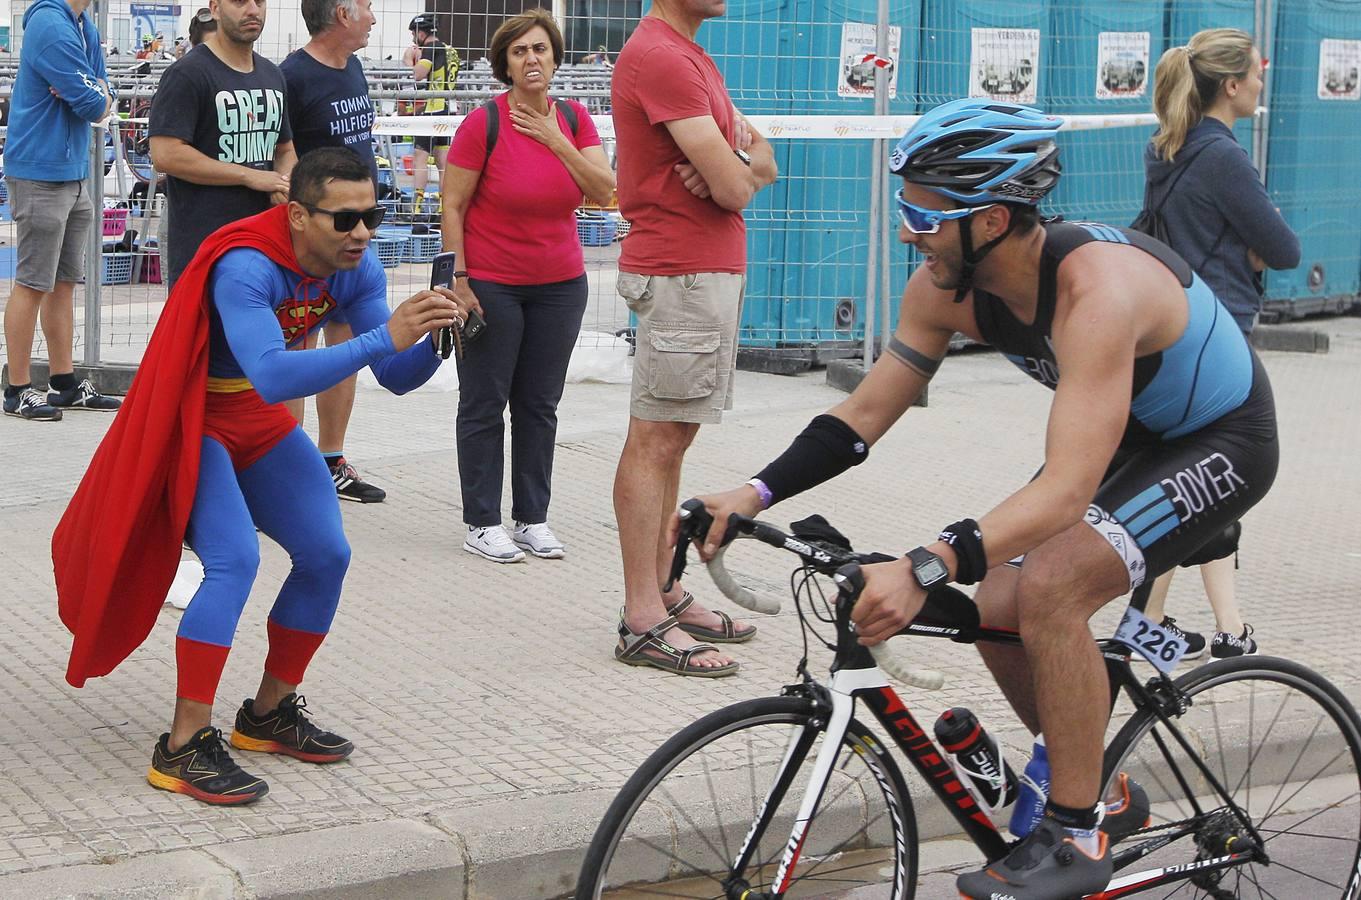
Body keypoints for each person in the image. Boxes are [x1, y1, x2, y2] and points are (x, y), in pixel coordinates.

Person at [684, 98, 1278, 898]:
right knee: (1000, 596)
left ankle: (1076, 833)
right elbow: (863, 416)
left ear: (991, 220)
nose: (905, 232)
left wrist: (924, 565)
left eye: (921, 216)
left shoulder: (1094, 291)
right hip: (1125, 437)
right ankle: (1099, 786)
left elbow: (1065, 488)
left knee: (1050, 585)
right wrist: (751, 492)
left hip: (1221, 440)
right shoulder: (943, 284)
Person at [53, 148, 469, 805]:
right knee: (234, 561)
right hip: (197, 422)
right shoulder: (247, 262)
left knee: (327, 554)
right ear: (298, 215)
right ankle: (183, 744)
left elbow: (391, 376)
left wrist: (444, 340)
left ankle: (268, 713)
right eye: (346, 218)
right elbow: (276, 373)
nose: (363, 231)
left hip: (258, 423)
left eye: (373, 213)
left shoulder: (356, 266)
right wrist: (386, 337)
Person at [610, 0, 777, 675]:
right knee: (655, 437)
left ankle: (664, 591)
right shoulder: (661, 57)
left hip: (703, 269)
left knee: (674, 433)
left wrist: (731, 159)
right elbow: (738, 189)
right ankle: (642, 616)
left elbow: (760, 163)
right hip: (679, 270)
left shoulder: (691, 56)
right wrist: (734, 169)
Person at [1139, 27, 1300, 661]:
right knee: (1205, 481)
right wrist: (1253, 251)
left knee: (1194, 478)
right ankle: (1161, 630)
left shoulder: (1166, 147)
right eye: (1256, 74)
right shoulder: (1225, 157)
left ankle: (1221, 628)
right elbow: (1284, 249)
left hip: (1172, 328)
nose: (1262, 83)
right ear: (1231, 85)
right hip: (1220, 335)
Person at [441, 9, 615, 563]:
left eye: (540, 49)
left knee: (540, 406)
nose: (531, 59)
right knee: (485, 403)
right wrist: (459, 280)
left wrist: (553, 138)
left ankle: (532, 518)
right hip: (492, 284)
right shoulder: (482, 124)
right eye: (519, 52)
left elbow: (604, 191)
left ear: (555, 58)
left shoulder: (574, 119)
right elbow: (452, 205)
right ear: (505, 65)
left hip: (560, 285)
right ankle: (481, 522)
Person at [280, 0, 387, 504]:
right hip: (319, 237)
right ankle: (285, 465)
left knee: (344, 347)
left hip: (356, 231)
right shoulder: (294, 76)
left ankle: (330, 458)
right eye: (365, 7)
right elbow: (288, 155)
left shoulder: (354, 67)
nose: (371, 17)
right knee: (300, 344)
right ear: (342, 14)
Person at [2, 0, 121, 421]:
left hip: (71, 171)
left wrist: (92, 90)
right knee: (34, 281)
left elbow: (104, 92)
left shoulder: (81, 24)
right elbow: (91, 104)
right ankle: (16, 389)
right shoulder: (50, 23)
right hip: (40, 170)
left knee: (64, 282)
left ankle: (63, 383)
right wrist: (91, 92)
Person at [148, 0, 295, 289]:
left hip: (264, 245)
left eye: (260, 2)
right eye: (240, 1)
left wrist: (285, 183)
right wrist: (248, 175)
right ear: (215, 8)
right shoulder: (187, 74)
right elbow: (165, 154)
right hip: (204, 250)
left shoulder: (272, 74)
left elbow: (285, 148)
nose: (253, 10)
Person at [407, 13, 458, 219]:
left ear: (421, 32)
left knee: (420, 158)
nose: (413, 38)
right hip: (447, 109)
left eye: (413, 34)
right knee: (442, 161)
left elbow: (417, 75)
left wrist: (407, 60)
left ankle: (416, 208)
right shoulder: (450, 50)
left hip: (431, 110)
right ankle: (442, 206)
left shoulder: (431, 48)